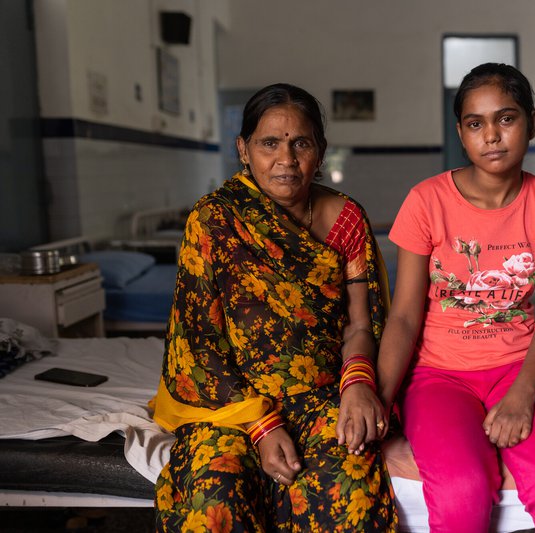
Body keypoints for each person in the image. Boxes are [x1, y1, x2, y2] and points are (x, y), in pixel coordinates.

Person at [152, 83, 397, 532]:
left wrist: (357, 384)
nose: (286, 159)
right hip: (231, 405)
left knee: (351, 486)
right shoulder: (214, 219)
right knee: (215, 496)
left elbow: (361, 324)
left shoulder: (346, 218)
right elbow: (198, 345)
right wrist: (261, 425)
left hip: (321, 395)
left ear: (319, 152)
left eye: (300, 143)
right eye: (269, 143)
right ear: (243, 150)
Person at [376, 63, 535, 532]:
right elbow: (403, 318)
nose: (491, 136)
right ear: (461, 132)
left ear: (532, 122)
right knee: (461, 491)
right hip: (439, 376)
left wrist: (523, 392)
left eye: (506, 118)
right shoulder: (425, 201)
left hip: (521, 365)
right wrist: (381, 398)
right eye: (475, 124)